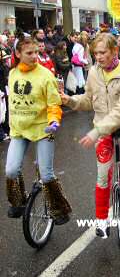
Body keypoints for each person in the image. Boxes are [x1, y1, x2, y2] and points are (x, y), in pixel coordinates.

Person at [61, 33, 120, 239]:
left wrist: (96, 131)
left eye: (103, 52)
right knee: (102, 177)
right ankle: (101, 220)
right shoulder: (93, 73)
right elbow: (89, 100)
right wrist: (70, 100)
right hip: (101, 128)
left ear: (114, 51)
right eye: (95, 53)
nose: (98, 57)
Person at [5, 37, 71, 224]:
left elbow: (54, 104)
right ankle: (18, 202)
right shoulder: (12, 74)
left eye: (36, 52)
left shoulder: (46, 76)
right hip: (20, 130)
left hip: (44, 129)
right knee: (11, 170)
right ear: (18, 54)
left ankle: (59, 211)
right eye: (29, 53)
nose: (35, 56)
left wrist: (54, 121)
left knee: (46, 174)